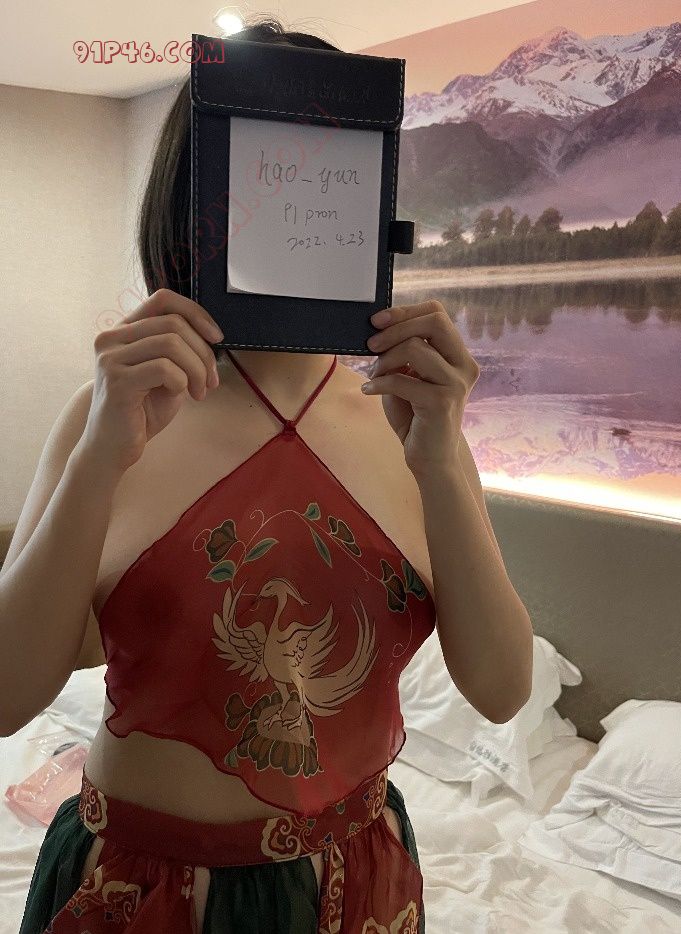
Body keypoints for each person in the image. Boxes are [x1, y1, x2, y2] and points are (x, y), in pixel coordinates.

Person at [7, 16, 438, 934]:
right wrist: (99, 457)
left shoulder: (407, 427)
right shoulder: (110, 417)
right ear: (193, 199)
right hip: (135, 882)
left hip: (355, 878)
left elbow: (504, 685)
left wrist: (442, 444)